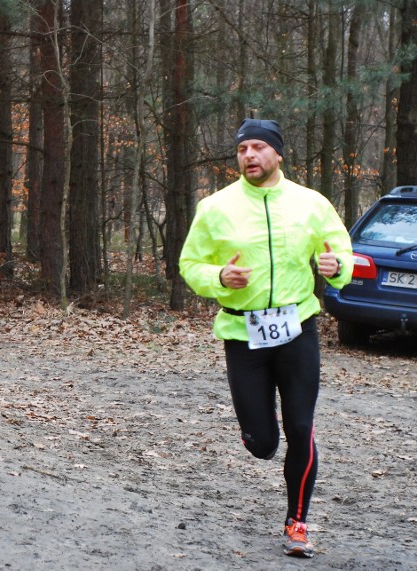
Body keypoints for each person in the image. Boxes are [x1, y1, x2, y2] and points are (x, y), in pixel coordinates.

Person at [179, 119, 353, 558]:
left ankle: (297, 522)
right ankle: (256, 434)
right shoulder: (216, 207)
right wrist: (218, 275)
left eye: (258, 147)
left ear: (278, 154)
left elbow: (341, 251)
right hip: (243, 332)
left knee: (300, 427)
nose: (249, 155)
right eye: (242, 149)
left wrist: (338, 268)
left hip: (297, 329)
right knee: (263, 443)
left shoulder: (310, 203)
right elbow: (190, 263)